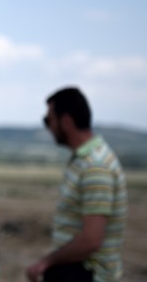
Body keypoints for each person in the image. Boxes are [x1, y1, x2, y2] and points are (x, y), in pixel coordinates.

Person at [26, 87, 128, 282]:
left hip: (86, 274)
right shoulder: (85, 160)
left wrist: (46, 262)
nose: (48, 127)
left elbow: (91, 240)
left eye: (48, 120)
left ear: (65, 122)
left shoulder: (95, 166)